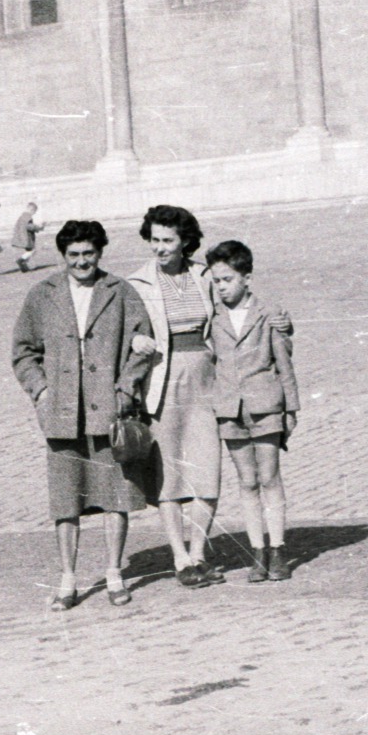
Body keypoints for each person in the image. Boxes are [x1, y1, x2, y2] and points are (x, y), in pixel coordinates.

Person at [11, 220, 153, 610]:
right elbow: (23, 351)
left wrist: (125, 389)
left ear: (100, 253)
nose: (81, 261)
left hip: (109, 413)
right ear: (63, 256)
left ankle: (113, 574)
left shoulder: (121, 292)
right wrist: (41, 390)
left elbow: (143, 347)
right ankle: (68, 579)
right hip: (61, 416)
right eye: (73, 255)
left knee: (115, 496)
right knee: (65, 501)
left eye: (88, 253)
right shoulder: (42, 295)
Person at [126, 205, 225, 589]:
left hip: (205, 381)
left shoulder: (204, 275)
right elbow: (124, 331)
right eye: (154, 240)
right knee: (168, 474)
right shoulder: (137, 283)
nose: (160, 248)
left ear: (185, 242)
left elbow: (228, 316)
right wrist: (135, 339)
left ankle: (199, 552)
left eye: (168, 240)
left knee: (207, 470)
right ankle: (180, 558)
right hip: (161, 382)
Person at [204, 240, 299, 583]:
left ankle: (278, 549)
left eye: (227, 279)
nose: (221, 287)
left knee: (270, 477)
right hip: (229, 410)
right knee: (246, 481)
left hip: (265, 406)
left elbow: (284, 362)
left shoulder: (268, 313)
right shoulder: (211, 318)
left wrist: (291, 408)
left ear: (247, 278)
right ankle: (257, 551)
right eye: (216, 280)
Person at [11, 202, 45, 273]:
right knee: (32, 250)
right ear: (31, 210)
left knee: (29, 251)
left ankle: (24, 266)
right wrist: (39, 227)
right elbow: (29, 226)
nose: (34, 213)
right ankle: (21, 260)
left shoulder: (22, 216)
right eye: (34, 212)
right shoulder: (27, 217)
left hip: (22, 236)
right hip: (26, 237)